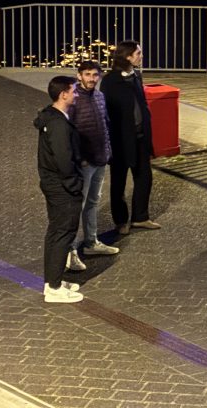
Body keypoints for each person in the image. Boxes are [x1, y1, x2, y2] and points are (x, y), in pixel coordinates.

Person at [66, 60, 120, 272]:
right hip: (85, 162)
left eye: (95, 75)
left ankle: (90, 242)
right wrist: (80, 159)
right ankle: (69, 251)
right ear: (79, 75)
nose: (91, 78)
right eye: (87, 74)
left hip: (100, 159)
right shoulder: (73, 99)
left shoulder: (99, 96)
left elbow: (105, 124)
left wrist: (107, 152)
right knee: (76, 207)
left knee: (92, 202)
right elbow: (69, 132)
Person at [101, 41, 159, 235]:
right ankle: (120, 220)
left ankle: (140, 217)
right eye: (138, 53)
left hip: (140, 136)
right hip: (120, 139)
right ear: (127, 56)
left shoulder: (136, 76)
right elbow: (108, 113)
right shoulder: (110, 81)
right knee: (119, 180)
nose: (141, 56)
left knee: (144, 177)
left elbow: (141, 105)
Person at [34, 76, 84, 303]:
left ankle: (52, 281)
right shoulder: (58, 124)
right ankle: (54, 288)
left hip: (53, 184)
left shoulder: (52, 118)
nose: (76, 94)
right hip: (62, 186)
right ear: (63, 94)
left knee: (56, 232)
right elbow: (64, 159)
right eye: (74, 90)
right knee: (62, 232)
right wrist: (74, 184)